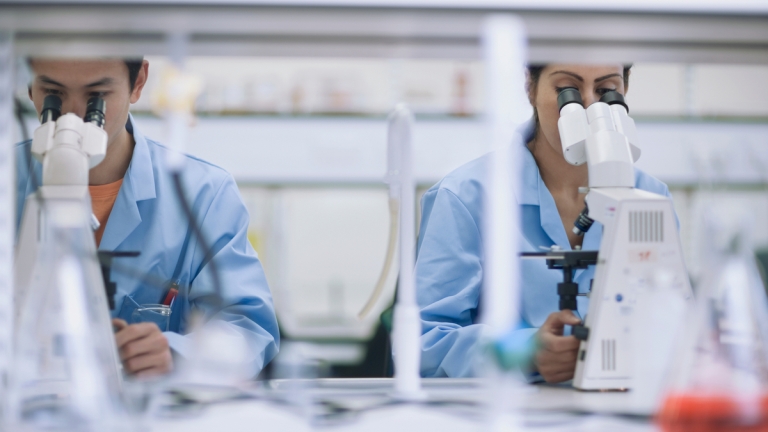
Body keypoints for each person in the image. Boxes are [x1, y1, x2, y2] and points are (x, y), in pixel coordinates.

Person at [16, 58, 279, 378]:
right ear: (29, 85)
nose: (74, 116)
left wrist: (177, 354)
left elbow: (250, 330)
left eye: (96, 96)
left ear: (138, 81)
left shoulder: (204, 193)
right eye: (53, 94)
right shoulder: (7, 178)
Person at [415, 64, 673, 382]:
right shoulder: (465, 197)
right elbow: (425, 342)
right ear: (530, 88)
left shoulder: (649, 197)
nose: (590, 107)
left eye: (607, 90)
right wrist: (526, 352)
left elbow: (674, 323)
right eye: (568, 90)